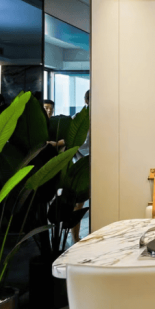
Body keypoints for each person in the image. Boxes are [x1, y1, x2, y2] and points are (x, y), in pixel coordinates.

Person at [71, 89, 90, 243]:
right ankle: (76, 238)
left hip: (94, 164)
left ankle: (79, 237)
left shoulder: (101, 117)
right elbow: (78, 142)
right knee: (79, 204)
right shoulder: (79, 118)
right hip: (82, 166)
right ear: (86, 101)